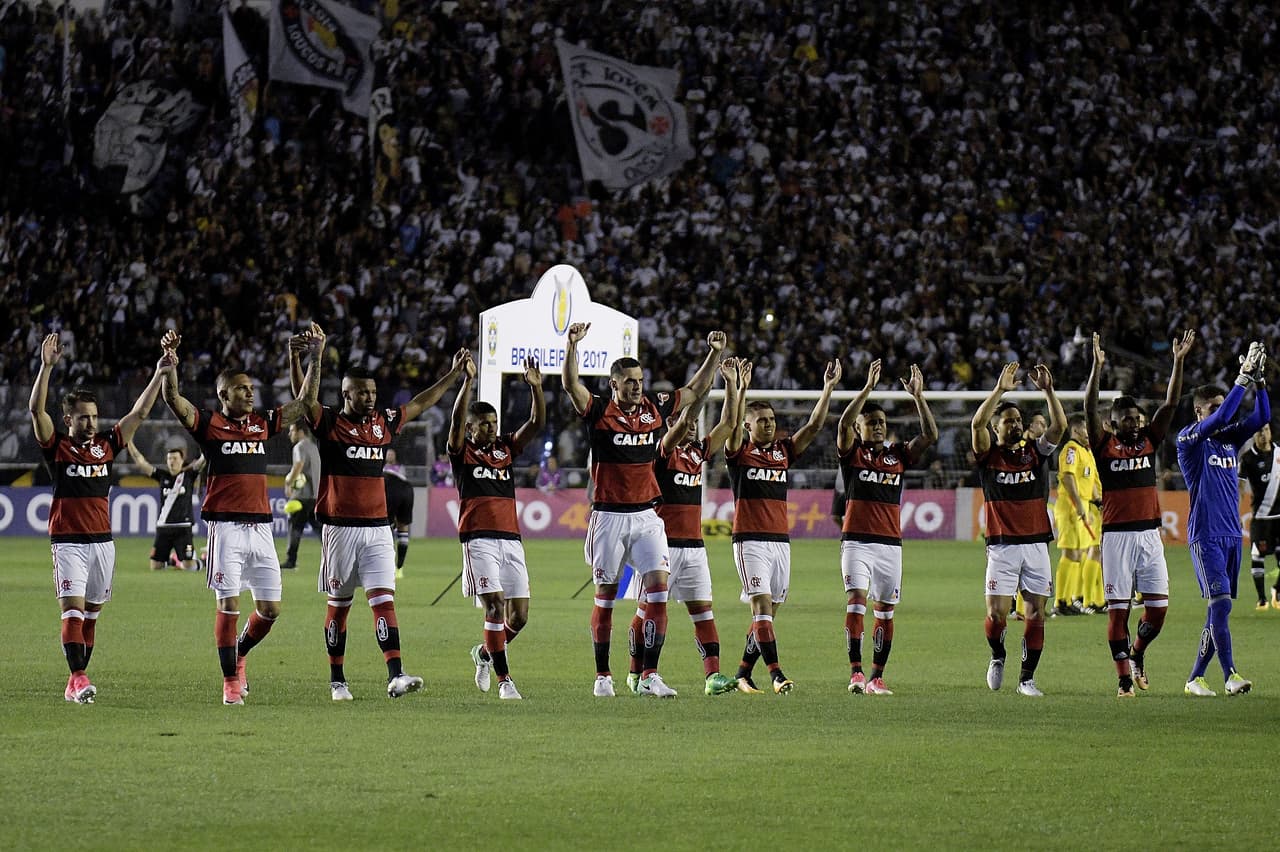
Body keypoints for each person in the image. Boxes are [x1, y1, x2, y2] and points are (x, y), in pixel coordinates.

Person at [562, 322, 727, 698]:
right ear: (614, 384)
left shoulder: (656, 407)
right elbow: (572, 386)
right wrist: (571, 346)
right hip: (608, 516)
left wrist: (715, 354)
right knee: (605, 597)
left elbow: (697, 389)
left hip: (648, 518)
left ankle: (650, 674)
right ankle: (603, 675)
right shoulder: (599, 411)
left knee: (657, 591)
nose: (637, 386)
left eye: (639, 379)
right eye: (630, 381)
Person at [160, 326, 323, 705]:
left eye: (251, 388)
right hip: (226, 528)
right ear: (222, 395)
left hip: (262, 528)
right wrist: (169, 366)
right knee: (229, 604)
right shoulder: (208, 424)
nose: (250, 393)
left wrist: (314, 356)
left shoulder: (262, 423)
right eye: (242, 388)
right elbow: (173, 398)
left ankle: (240, 652)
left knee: (270, 610)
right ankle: (230, 680)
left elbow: (306, 402)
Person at [296, 345, 468, 701]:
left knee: (383, 600)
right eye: (363, 392)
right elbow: (303, 400)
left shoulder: (384, 422)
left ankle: (396, 675)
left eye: (373, 392)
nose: (371, 397)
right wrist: (309, 360)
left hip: (378, 530)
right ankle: (337, 680)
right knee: (339, 606)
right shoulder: (329, 422)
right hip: (341, 530)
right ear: (346, 393)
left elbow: (421, 403)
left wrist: (453, 376)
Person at [31, 332, 172, 703]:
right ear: (69, 419)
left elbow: (139, 413)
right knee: (73, 611)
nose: (91, 423)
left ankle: (74, 683)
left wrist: (159, 375)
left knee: (92, 615)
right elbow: (36, 411)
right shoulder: (58, 448)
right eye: (83, 418)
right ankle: (79, 676)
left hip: (103, 542)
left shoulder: (108, 444)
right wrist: (46, 367)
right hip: (68, 542)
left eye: (94, 417)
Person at [625, 357, 744, 696]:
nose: (691, 426)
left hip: (694, 546)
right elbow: (676, 429)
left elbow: (728, 424)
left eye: (693, 422)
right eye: (683, 420)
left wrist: (732, 384)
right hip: (660, 547)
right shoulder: (660, 452)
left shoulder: (697, 454)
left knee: (702, 610)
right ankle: (639, 674)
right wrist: (690, 407)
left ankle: (712, 677)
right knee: (646, 610)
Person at [1086, 331, 1194, 696]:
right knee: (1118, 612)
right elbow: (1088, 408)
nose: (1133, 423)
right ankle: (1121, 679)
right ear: (1111, 425)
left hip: (1150, 535)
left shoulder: (1150, 439)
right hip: (1116, 537)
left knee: (1158, 610)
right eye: (1126, 420)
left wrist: (1178, 361)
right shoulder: (1103, 446)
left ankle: (1137, 653)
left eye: (1136, 418)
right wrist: (1096, 370)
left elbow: (1172, 401)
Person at [728, 356, 842, 695]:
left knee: (768, 615)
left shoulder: (782, 452)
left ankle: (742, 673)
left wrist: (828, 388)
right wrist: (740, 389)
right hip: (749, 541)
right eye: (760, 420)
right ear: (748, 426)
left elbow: (814, 426)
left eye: (771, 420)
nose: (767, 424)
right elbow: (732, 427)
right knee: (761, 606)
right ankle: (777, 675)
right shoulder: (738, 452)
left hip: (780, 541)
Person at [835, 359, 938, 695]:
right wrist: (866, 390)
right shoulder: (852, 454)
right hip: (856, 543)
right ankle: (856, 673)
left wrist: (919, 397)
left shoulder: (898, 456)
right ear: (860, 429)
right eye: (871, 423)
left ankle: (877, 677)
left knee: (885, 612)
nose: (877, 427)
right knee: (856, 600)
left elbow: (930, 435)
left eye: (881, 423)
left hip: (890, 545)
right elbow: (843, 424)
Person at [448, 352, 544, 701]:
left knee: (519, 617)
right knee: (495, 606)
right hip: (478, 540)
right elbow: (456, 422)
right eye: (485, 423)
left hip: (511, 540)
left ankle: (485, 654)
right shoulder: (461, 452)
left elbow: (535, 424)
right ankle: (506, 681)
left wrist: (536, 389)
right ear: (471, 428)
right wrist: (467, 383)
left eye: (494, 422)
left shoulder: (505, 449)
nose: (491, 427)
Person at [1177, 341, 1270, 697]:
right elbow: (1221, 417)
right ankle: (1230, 674)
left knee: (1220, 611)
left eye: (1221, 406)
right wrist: (1241, 381)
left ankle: (1194, 678)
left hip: (1232, 534)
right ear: (1200, 412)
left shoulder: (1229, 440)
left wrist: (1258, 381)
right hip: (1205, 534)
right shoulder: (1190, 441)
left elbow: (1261, 418)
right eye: (1213, 408)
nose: (1221, 413)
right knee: (1222, 604)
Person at [971, 362, 1067, 697]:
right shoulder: (988, 455)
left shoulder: (1035, 454)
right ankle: (998, 655)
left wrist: (1049, 391)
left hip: (1036, 544)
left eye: (1017, 420)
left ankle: (1026, 679)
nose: (1014, 425)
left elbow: (1059, 426)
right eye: (1007, 421)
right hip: (1002, 545)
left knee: (1035, 612)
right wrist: (1000, 390)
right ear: (996, 428)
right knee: (996, 614)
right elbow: (976, 423)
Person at [1052, 414, 1104, 615]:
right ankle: (1060, 601)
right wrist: (1078, 504)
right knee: (1070, 552)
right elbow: (1067, 476)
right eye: (1085, 428)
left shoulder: (1086, 451)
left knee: (1079, 553)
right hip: (1070, 506)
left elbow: (1088, 481)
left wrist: (1097, 500)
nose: (1089, 432)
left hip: (1083, 504)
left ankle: (1070, 598)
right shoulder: (1071, 450)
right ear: (1075, 430)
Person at [128, 441, 205, 571]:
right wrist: (129, 443)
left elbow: (204, 459)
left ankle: (204, 561)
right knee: (155, 566)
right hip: (164, 527)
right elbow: (141, 463)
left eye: (175, 458)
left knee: (189, 566)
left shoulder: (189, 475)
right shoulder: (162, 476)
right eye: (169, 458)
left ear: (182, 460)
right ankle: (173, 561)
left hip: (183, 528)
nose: (172, 461)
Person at [1238, 422, 1280, 610]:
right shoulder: (1247, 458)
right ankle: (1261, 598)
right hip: (1261, 517)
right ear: (1254, 435)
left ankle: (1276, 589)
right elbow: (1239, 488)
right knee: (1258, 555)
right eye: (1259, 431)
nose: (1263, 434)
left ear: (1271, 432)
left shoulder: (1279, 453)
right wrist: (1235, 512)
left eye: (1266, 430)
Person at [281, 420, 320, 571]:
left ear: (300, 432)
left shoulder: (300, 447)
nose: (290, 434)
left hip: (302, 496)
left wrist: (288, 482)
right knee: (320, 529)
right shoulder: (314, 447)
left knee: (295, 527)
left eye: (292, 430)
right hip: (315, 495)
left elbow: (298, 465)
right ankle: (334, 556)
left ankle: (291, 560)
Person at [383, 448, 414, 579]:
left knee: (386, 527)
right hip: (407, 489)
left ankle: (388, 567)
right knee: (403, 526)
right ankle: (399, 568)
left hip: (389, 488)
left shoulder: (382, 467)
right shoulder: (400, 469)